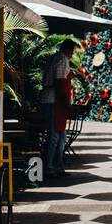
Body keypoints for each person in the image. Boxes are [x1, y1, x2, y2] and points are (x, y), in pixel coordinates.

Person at [40, 39, 76, 179]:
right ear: (68, 49)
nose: (72, 55)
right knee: (54, 136)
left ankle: (57, 165)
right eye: (72, 51)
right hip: (54, 100)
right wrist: (66, 103)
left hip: (51, 99)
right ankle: (49, 167)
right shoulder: (62, 59)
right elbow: (60, 81)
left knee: (60, 136)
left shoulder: (55, 58)